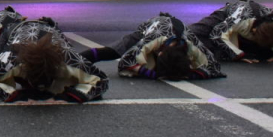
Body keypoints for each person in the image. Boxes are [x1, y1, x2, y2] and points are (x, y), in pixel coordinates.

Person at [0, 17, 109, 103]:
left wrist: (72, 95)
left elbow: (101, 80)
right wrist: (15, 95)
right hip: (14, 32)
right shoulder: (12, 56)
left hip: (49, 31)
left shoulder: (68, 57)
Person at [89, 13, 224, 81]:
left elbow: (214, 67)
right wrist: (155, 74)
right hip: (150, 28)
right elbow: (126, 62)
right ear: (159, 54)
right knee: (113, 51)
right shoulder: (153, 38)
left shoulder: (191, 42)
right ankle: (75, 60)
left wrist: (187, 74)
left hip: (175, 32)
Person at [188, 0, 273, 63]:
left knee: (265, 53)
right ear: (253, 30)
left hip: (258, 34)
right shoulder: (240, 18)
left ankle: (259, 49)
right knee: (191, 34)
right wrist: (238, 55)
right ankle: (233, 49)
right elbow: (216, 34)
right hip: (226, 16)